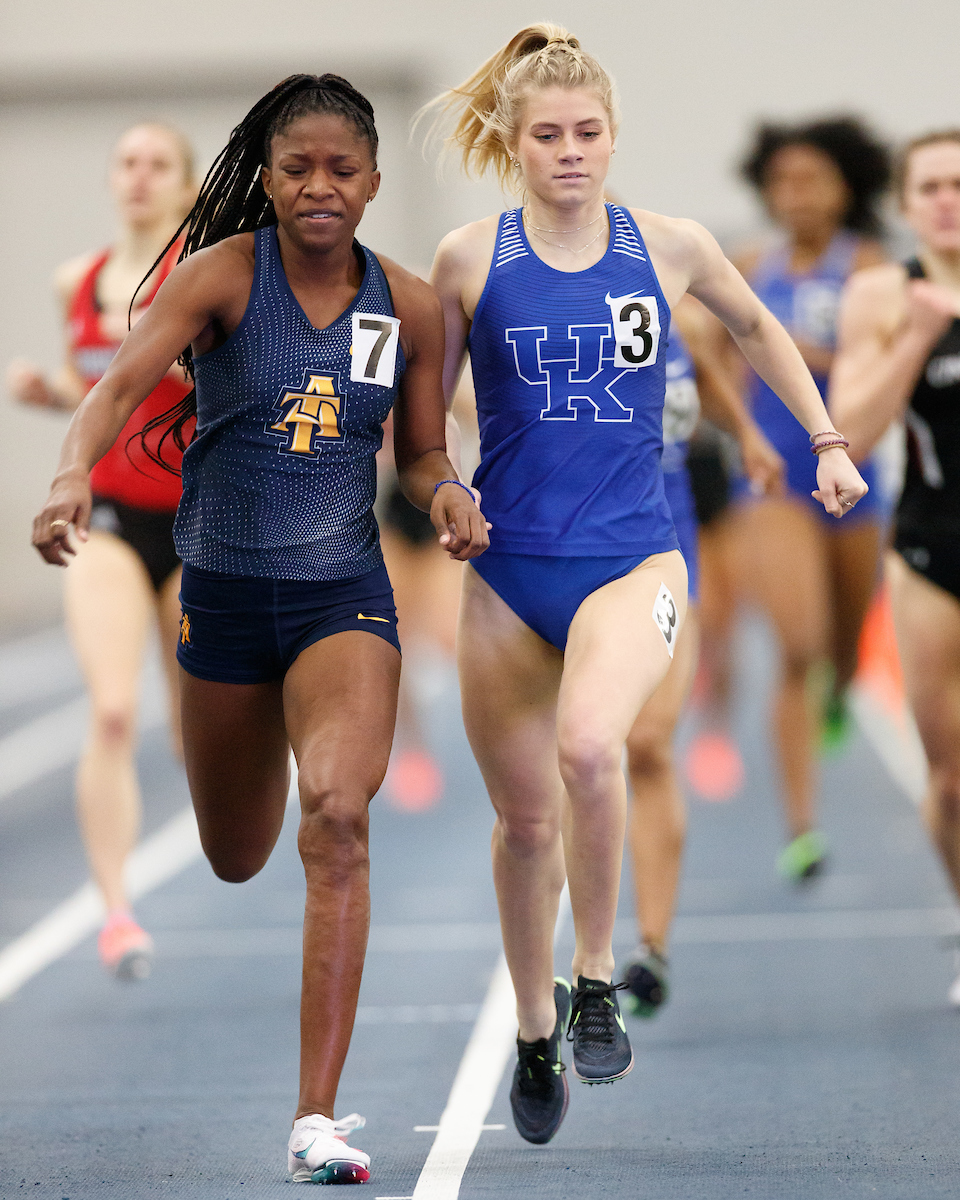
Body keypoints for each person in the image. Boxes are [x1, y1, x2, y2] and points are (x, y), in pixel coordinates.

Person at [31, 74, 489, 1186]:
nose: (320, 187)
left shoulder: (412, 307)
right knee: (238, 855)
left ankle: (315, 1120)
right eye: (298, 169)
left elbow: (421, 451)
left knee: (338, 819)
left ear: (374, 182)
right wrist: (67, 476)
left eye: (342, 169)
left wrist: (445, 494)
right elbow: (117, 388)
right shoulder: (222, 278)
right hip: (224, 598)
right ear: (270, 180)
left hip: (345, 596)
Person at [428, 24, 866, 1146]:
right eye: (547, 136)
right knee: (524, 824)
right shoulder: (471, 259)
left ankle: (592, 978)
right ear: (513, 143)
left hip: (633, 559)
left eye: (588, 133)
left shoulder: (666, 246)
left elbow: (759, 327)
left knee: (590, 748)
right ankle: (534, 1032)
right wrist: (441, 485)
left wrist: (822, 437)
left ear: (614, 137)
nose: (570, 151)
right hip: (508, 574)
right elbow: (420, 408)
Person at [7, 123, 196, 980]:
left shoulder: (205, 280)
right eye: (126, 162)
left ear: (187, 186)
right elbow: (102, 396)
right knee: (114, 711)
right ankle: (116, 910)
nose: (138, 177)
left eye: (158, 165)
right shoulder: (74, 281)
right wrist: (53, 393)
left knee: (203, 729)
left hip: (200, 524)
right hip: (112, 518)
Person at [723, 117, 892, 881]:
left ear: (845, 188)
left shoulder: (871, 267)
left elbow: (878, 355)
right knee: (797, 647)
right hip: (776, 486)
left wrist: (791, 349)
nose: (796, 196)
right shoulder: (751, 266)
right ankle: (802, 826)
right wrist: (736, 425)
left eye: (812, 180)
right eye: (783, 182)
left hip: (855, 480)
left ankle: (841, 695)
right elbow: (723, 351)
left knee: (845, 651)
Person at [621, 296, 783, 1017]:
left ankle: (650, 947)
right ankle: (572, 953)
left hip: (669, 543)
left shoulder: (673, 321)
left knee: (649, 742)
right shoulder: (533, 314)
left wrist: (747, 431)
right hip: (569, 551)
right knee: (573, 756)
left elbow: (712, 369)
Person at [830, 129, 960, 1005]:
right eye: (931, 187)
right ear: (908, 205)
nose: (947, 199)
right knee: (950, 778)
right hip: (930, 553)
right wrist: (919, 336)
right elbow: (850, 427)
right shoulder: (882, 294)